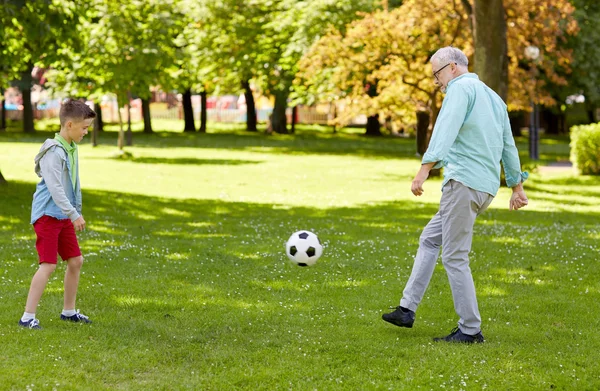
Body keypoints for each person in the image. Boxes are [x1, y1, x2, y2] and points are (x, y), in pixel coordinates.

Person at [382, 47, 529, 343]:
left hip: (462, 184)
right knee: (430, 238)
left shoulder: (460, 90)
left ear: (451, 67)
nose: (436, 81)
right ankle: (406, 309)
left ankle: (470, 330)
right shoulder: (494, 98)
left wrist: (424, 170)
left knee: (454, 256)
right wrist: (516, 186)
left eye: (436, 74)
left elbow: (444, 131)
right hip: (484, 187)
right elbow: (508, 145)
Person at [19, 99, 96, 329]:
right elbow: (55, 187)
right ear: (69, 125)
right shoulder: (54, 151)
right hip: (47, 216)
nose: (86, 132)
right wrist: (73, 214)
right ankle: (27, 317)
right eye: (84, 128)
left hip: (61, 215)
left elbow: (73, 182)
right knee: (48, 264)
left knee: (75, 260)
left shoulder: (71, 148)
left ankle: (69, 311)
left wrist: (74, 211)